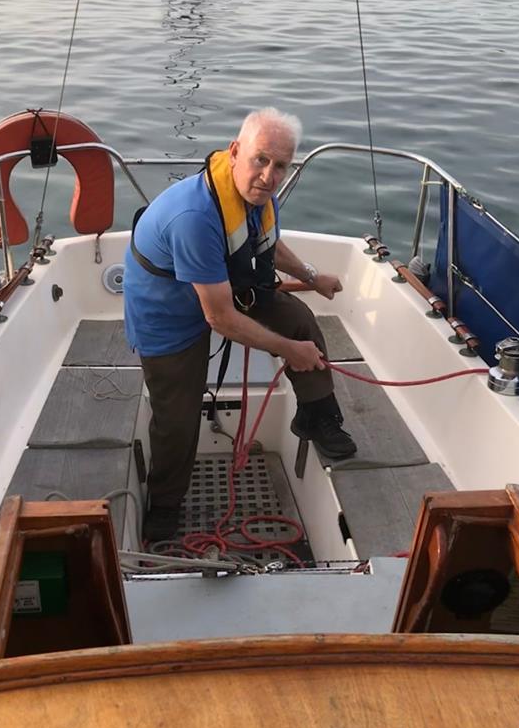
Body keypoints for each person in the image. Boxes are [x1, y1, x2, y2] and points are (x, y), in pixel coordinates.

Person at [124, 108, 357, 541]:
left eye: (280, 166)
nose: (269, 176)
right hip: (168, 317)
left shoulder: (255, 198)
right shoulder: (194, 218)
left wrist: (312, 277)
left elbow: (269, 243)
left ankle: (317, 415)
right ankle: (165, 504)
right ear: (235, 152)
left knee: (299, 322)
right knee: (177, 418)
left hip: (222, 286)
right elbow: (220, 319)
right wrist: (289, 353)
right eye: (260, 159)